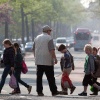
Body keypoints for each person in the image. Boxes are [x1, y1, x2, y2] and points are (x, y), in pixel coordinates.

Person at [33, 25, 60, 96]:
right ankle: (54, 91)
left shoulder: (37, 38)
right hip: (47, 60)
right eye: (50, 31)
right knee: (50, 77)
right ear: (47, 31)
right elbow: (51, 50)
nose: (50, 32)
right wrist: (55, 58)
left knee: (39, 77)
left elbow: (34, 49)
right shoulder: (49, 38)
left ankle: (39, 91)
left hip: (38, 61)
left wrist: (35, 57)